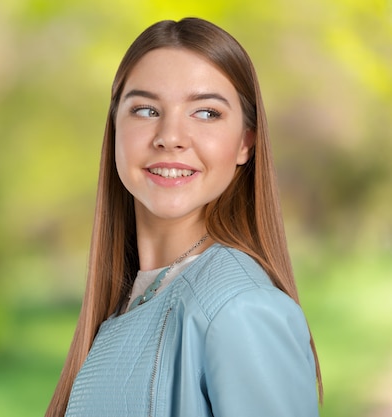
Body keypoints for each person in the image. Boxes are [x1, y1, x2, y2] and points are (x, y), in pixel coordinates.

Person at [46, 17, 322, 417]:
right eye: (144, 109)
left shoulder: (241, 308)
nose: (170, 136)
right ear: (114, 129)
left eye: (206, 113)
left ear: (246, 141)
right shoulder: (127, 304)